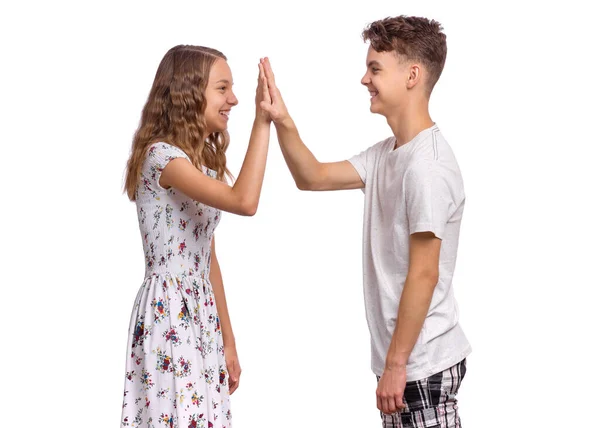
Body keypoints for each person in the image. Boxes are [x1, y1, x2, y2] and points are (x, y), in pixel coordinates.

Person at [259, 16, 471, 427]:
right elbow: (312, 176)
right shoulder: (387, 154)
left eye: (375, 69)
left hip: (420, 361)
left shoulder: (427, 167)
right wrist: (282, 119)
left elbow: (424, 273)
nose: (364, 79)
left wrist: (396, 364)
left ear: (412, 75)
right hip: (403, 361)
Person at [121, 45, 272, 428]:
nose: (233, 99)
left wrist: (229, 341)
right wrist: (263, 121)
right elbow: (245, 201)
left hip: (200, 310)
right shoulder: (163, 159)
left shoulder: (197, 164)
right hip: (169, 309)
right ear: (190, 92)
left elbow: (209, 259)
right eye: (223, 88)